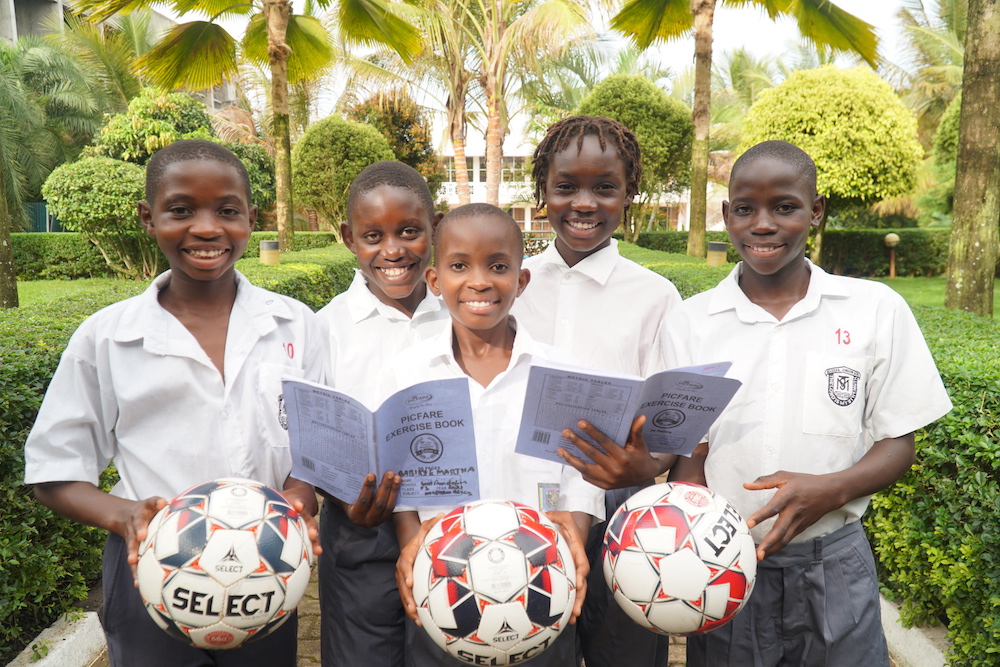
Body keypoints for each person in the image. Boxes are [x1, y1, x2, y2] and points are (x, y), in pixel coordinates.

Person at [23, 139, 328, 667]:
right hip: (150, 567)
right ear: (148, 217)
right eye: (181, 210)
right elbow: (53, 470)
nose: (207, 228)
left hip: (267, 567)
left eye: (227, 211)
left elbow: (318, 446)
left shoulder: (296, 323)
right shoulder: (109, 338)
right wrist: (125, 516)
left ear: (251, 219)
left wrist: (301, 493)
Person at [662, 140, 953, 666]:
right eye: (745, 209)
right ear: (727, 215)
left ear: (815, 212)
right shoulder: (691, 321)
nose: (763, 224)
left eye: (785, 207)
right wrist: (692, 542)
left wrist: (829, 490)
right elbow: (691, 455)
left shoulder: (874, 310)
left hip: (834, 564)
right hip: (727, 563)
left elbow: (899, 442)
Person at [392, 203, 602, 667]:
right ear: (434, 281)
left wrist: (574, 535)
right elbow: (400, 482)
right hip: (443, 589)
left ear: (522, 281)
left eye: (499, 266)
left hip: (542, 590)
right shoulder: (407, 376)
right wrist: (411, 543)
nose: (480, 280)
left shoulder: (561, 374)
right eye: (460, 265)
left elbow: (581, 477)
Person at [510, 114, 682, 666]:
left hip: (622, 510)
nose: (584, 203)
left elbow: (672, 421)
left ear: (629, 194)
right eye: (566, 187)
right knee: (530, 643)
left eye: (605, 188)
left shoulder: (654, 296)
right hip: (527, 501)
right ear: (543, 192)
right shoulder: (511, 284)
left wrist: (646, 466)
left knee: (625, 652)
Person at [314, 160, 449, 666]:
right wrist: (344, 496)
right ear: (350, 237)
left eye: (410, 231)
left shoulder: (463, 314)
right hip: (360, 530)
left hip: (447, 525)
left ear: (433, 228)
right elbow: (311, 440)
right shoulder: (323, 329)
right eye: (373, 235)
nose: (393, 251)